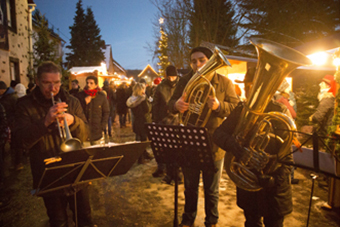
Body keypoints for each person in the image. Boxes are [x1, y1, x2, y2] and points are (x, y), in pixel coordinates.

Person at [12, 61, 96, 227]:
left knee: (84, 218)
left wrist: (74, 122)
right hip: (48, 173)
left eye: (56, 83)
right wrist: (44, 123)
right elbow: (19, 142)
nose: (53, 88)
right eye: (47, 83)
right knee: (58, 221)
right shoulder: (24, 105)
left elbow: (87, 133)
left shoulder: (72, 102)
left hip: (76, 170)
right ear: (37, 81)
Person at [213, 67, 293, 227]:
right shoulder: (241, 110)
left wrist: (274, 180)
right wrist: (234, 146)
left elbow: (287, 156)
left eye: (254, 86)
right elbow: (218, 134)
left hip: (274, 189)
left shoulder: (280, 111)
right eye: (249, 86)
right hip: (247, 183)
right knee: (251, 222)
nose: (250, 90)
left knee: (274, 223)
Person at [168, 46, 239, 227]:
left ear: (209, 61)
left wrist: (218, 107)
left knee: (212, 190)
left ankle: (211, 221)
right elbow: (170, 103)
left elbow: (236, 110)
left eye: (201, 60)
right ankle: (188, 219)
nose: (197, 64)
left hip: (214, 144)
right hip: (189, 142)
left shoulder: (224, 83)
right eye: (193, 61)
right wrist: (176, 105)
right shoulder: (184, 81)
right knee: (190, 187)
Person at [151, 65, 181, 183]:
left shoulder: (181, 86)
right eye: (170, 77)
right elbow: (155, 105)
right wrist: (156, 120)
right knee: (167, 150)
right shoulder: (160, 88)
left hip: (178, 122)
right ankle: (169, 173)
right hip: (165, 122)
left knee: (178, 150)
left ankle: (177, 174)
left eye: (174, 77)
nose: (172, 80)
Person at [75, 75, 109, 145]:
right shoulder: (80, 96)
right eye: (87, 83)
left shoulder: (101, 96)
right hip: (83, 132)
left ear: (96, 85)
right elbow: (76, 111)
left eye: (91, 83)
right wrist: (84, 103)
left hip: (96, 131)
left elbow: (106, 112)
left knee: (97, 154)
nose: (88, 85)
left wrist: (102, 126)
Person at [126, 82, 152, 164]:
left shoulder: (132, 100)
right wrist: (148, 101)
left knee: (139, 140)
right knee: (143, 141)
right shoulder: (142, 99)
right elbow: (147, 110)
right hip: (143, 122)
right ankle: (141, 159)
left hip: (136, 121)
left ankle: (145, 154)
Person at [0, 81, 19, 170]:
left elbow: (17, 111)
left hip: (13, 124)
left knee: (15, 144)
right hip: (9, 123)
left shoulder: (11, 98)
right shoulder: (6, 97)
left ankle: (17, 163)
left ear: (2, 90)